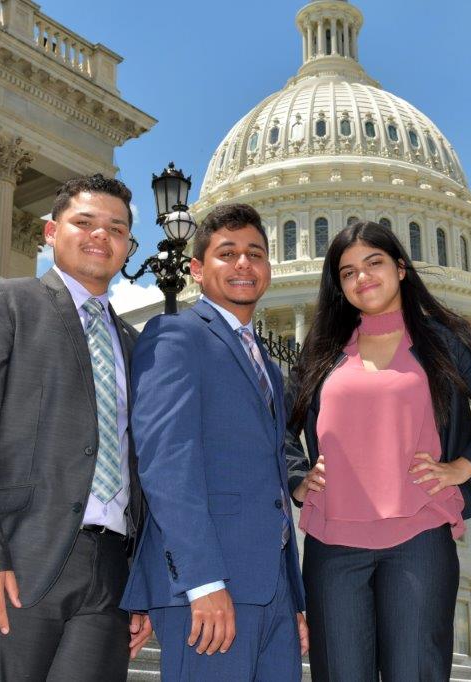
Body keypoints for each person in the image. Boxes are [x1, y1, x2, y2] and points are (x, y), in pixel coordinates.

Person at [0, 175, 152, 680]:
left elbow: (142, 470)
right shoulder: (4, 302)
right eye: (84, 222)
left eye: (116, 229)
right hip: (13, 562)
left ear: (128, 247)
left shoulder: (136, 346)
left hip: (109, 575)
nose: (101, 236)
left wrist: (141, 583)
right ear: (51, 231)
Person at [286, 220, 471, 682]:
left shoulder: (444, 342)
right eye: (348, 272)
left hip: (418, 536)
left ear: (401, 267)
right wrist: (297, 476)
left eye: (374, 263)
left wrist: (465, 465)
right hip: (333, 542)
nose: (363, 277)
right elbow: (278, 426)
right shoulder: (323, 349)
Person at [121, 203, 307, 681]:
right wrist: (202, 581)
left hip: (272, 592)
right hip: (210, 585)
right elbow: (167, 464)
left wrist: (294, 596)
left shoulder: (265, 360)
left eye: (255, 253)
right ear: (197, 270)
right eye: (228, 253)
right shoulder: (175, 336)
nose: (244, 263)